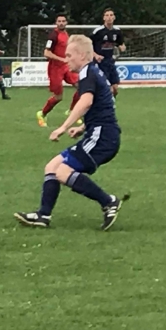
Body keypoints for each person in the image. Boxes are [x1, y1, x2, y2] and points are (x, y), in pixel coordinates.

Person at [15, 35, 128, 231]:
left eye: (69, 55)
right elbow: (103, 106)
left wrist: (64, 127)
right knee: (52, 167)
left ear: (82, 55)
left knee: (63, 171)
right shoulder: (93, 71)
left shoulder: (87, 73)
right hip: (99, 133)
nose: (65, 59)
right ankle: (43, 215)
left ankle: (108, 201)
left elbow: (86, 102)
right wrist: (82, 127)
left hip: (102, 137)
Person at [36, 15, 77, 128]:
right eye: (59, 21)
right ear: (56, 23)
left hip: (66, 67)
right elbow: (46, 53)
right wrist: (61, 59)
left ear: (66, 22)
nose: (61, 23)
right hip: (55, 68)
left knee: (81, 86)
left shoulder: (66, 34)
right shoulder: (53, 36)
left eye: (63, 21)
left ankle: (72, 111)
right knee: (58, 97)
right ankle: (42, 114)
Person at [90, 7, 126, 97]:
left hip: (110, 61)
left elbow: (120, 43)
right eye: (107, 15)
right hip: (100, 62)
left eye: (111, 15)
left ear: (114, 17)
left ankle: (110, 102)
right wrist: (95, 55)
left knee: (115, 89)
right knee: (107, 88)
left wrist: (122, 47)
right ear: (104, 18)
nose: (109, 17)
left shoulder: (117, 31)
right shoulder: (98, 31)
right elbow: (88, 45)